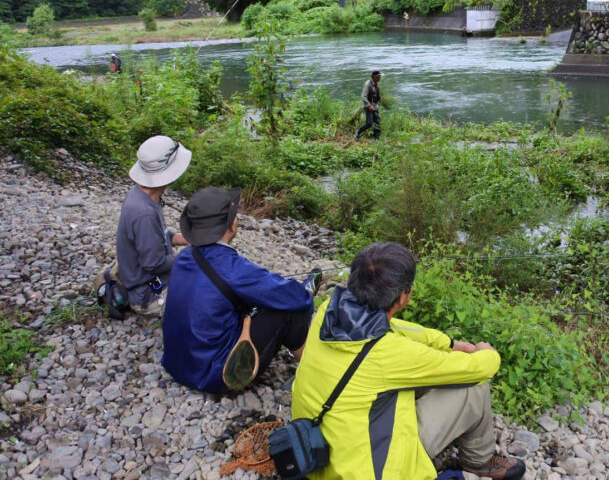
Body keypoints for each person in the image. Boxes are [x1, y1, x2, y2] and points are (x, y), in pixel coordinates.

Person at [291, 242, 526, 480]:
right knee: (474, 387)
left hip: (313, 453)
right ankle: (478, 461)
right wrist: (488, 352)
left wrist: (449, 344)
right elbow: (478, 369)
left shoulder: (328, 313)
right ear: (404, 296)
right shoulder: (391, 352)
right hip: (364, 472)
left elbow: (395, 327)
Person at [162, 187, 322, 394]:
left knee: (260, 298)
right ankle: (316, 371)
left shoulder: (185, 256)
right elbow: (297, 299)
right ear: (231, 224)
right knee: (293, 309)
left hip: (177, 364)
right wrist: (305, 291)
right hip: (216, 374)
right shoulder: (233, 268)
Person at [108, 135, 191, 316]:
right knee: (211, 295)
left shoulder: (142, 194)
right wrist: (190, 256)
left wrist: (188, 239)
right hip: (149, 292)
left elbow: (159, 235)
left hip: (146, 278)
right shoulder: (143, 213)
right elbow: (153, 264)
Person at [354, 69, 383, 141]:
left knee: (377, 122)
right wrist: (369, 105)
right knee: (369, 123)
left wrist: (382, 100)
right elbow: (363, 96)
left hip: (375, 106)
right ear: (375, 77)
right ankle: (358, 132)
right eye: (379, 76)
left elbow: (377, 96)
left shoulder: (377, 85)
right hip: (368, 107)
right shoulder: (368, 84)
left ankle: (377, 137)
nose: (380, 78)